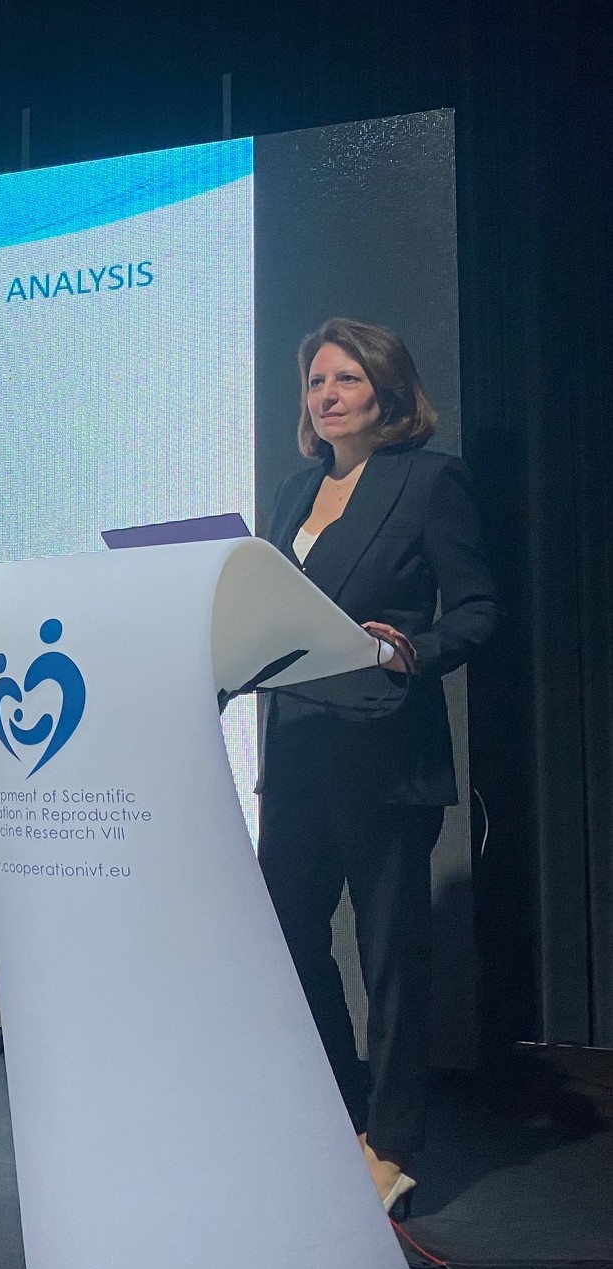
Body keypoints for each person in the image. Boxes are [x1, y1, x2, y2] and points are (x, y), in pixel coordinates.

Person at [257, 318, 499, 1216]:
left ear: (387, 393)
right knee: (287, 933)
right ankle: (339, 1109)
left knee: (390, 951)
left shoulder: (428, 481)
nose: (327, 396)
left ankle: (391, 1142)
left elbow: (476, 610)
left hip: (385, 747)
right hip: (298, 748)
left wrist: (411, 649)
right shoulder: (293, 492)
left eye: (347, 379)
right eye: (316, 381)